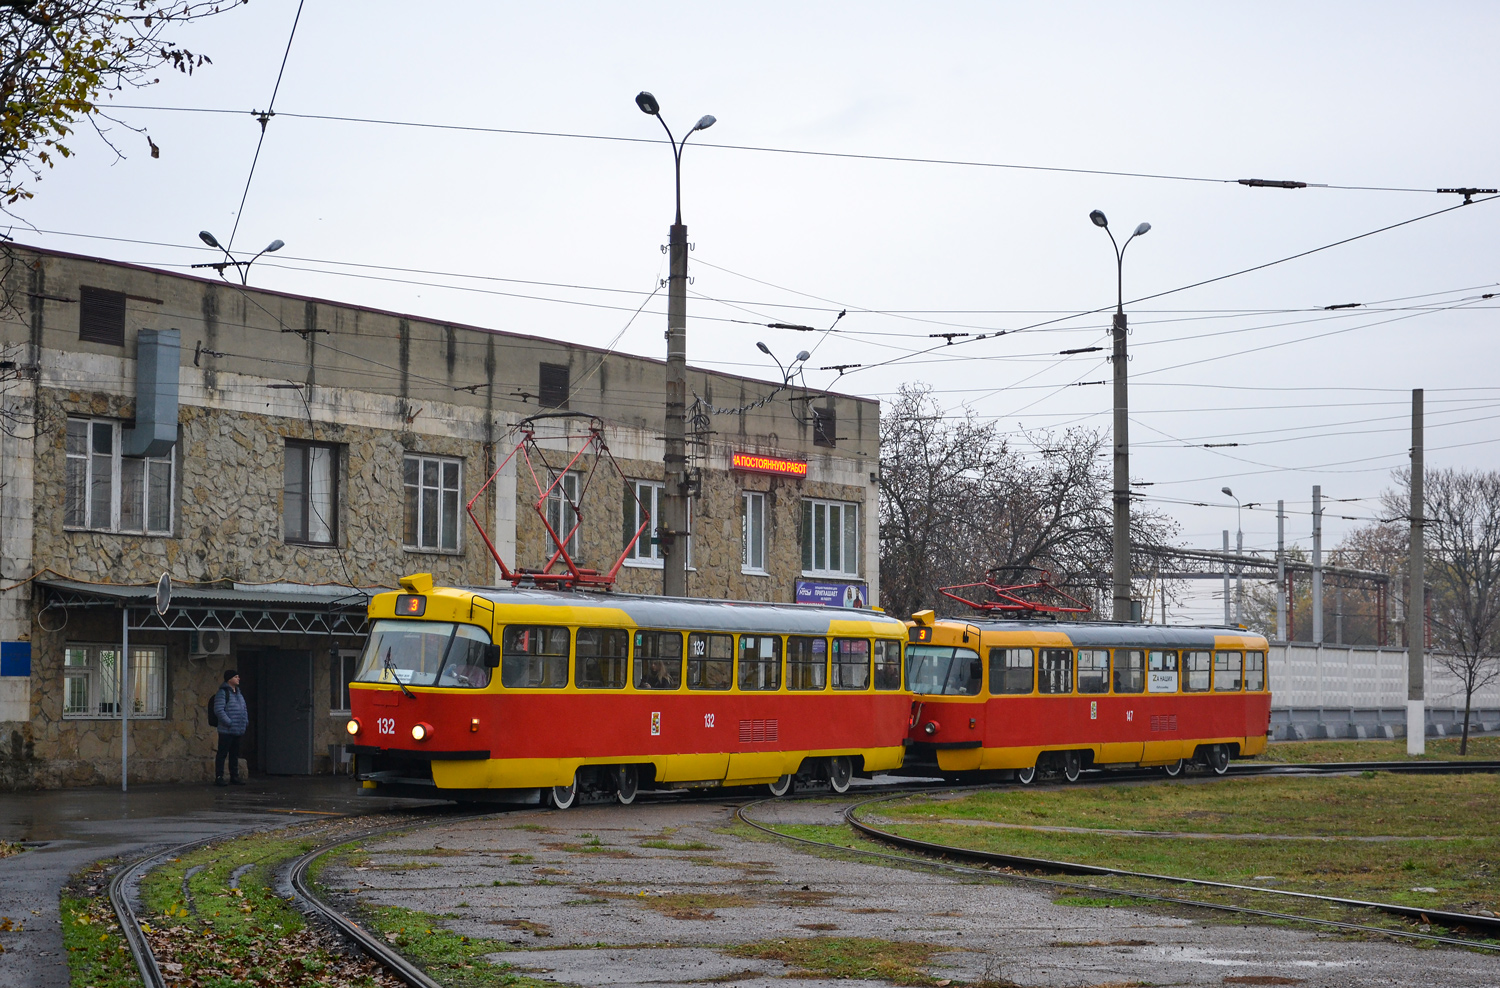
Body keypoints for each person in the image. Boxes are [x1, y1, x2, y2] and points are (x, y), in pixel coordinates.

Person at [212, 669, 248, 786]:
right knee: (222, 753)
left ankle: (234, 776)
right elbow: (219, 710)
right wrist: (229, 722)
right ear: (229, 679)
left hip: (238, 729)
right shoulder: (223, 693)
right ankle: (219, 776)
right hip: (226, 730)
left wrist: (245, 721)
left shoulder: (238, 693)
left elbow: (244, 708)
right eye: (236, 676)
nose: (238, 678)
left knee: (234, 754)